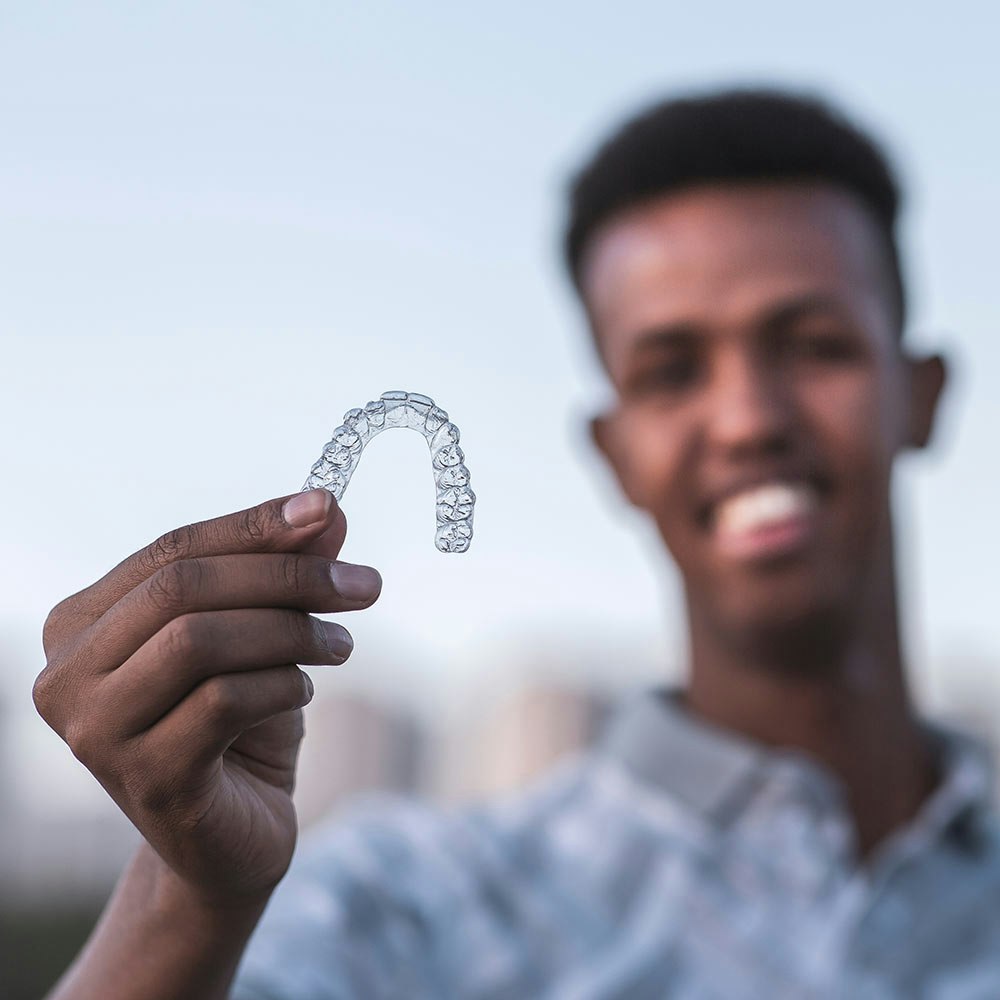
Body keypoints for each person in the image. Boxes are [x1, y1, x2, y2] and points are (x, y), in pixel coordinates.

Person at [33, 85, 1000, 999]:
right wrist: (188, 899)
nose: (748, 419)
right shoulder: (408, 909)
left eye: (816, 345)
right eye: (672, 372)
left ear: (922, 396)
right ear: (614, 455)